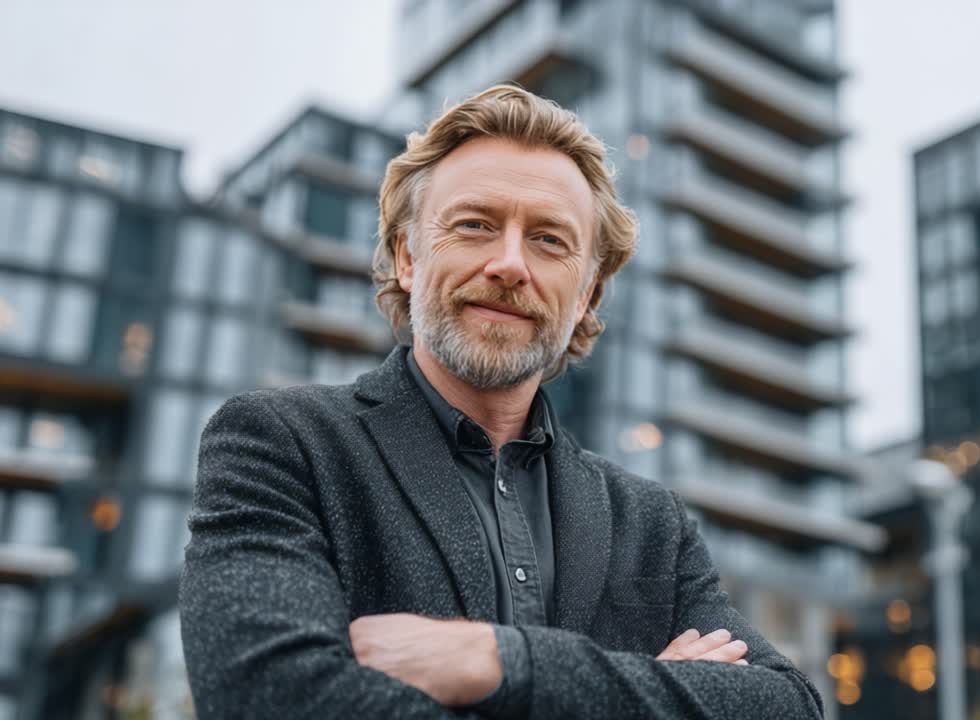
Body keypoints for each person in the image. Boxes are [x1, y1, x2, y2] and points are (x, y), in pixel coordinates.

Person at [178, 84, 824, 719]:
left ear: (588, 294)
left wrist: (497, 661)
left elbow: (785, 707)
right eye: (475, 225)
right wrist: (647, 693)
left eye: (549, 239)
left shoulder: (651, 524)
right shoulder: (283, 444)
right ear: (408, 255)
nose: (509, 264)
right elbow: (268, 697)